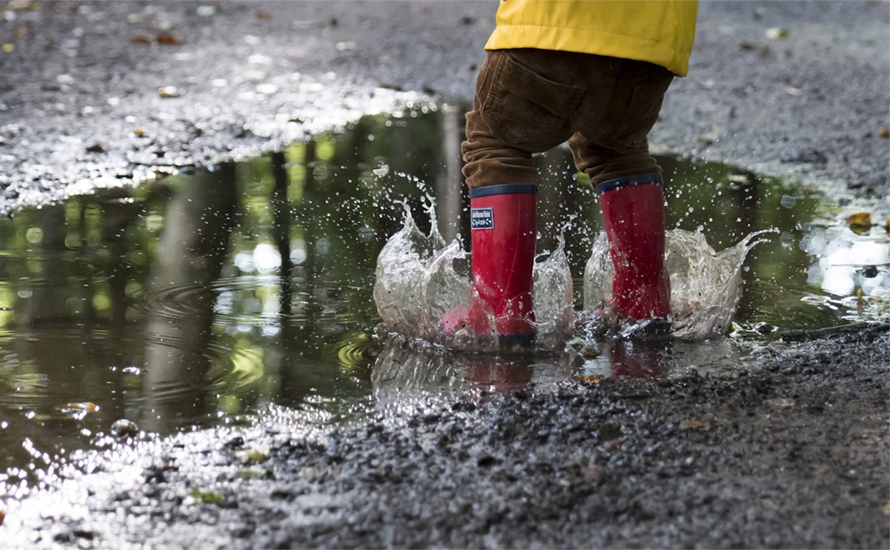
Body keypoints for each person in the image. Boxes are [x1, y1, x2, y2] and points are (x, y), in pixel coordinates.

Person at [457, 0, 699, 345]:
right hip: (654, 41)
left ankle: (502, 318)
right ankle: (643, 307)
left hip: (556, 21)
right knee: (617, 150)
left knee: (495, 144)